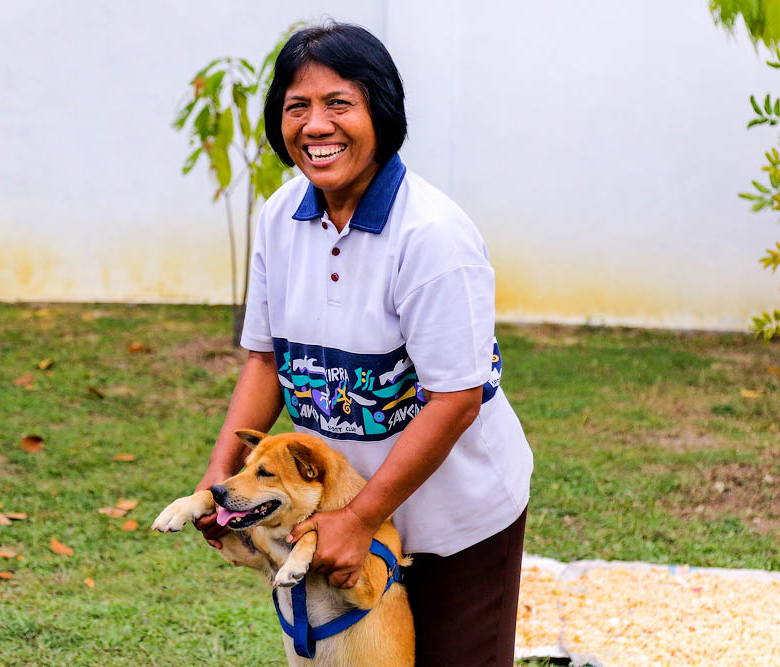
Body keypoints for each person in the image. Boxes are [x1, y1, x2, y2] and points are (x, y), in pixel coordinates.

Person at [192, 22, 533, 666]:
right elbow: (265, 360)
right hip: (339, 513)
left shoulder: (432, 237)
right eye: (297, 107)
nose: (316, 125)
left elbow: (455, 400)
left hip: (452, 521)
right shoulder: (279, 216)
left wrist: (358, 520)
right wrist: (223, 478)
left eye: (339, 104)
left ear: (382, 112)